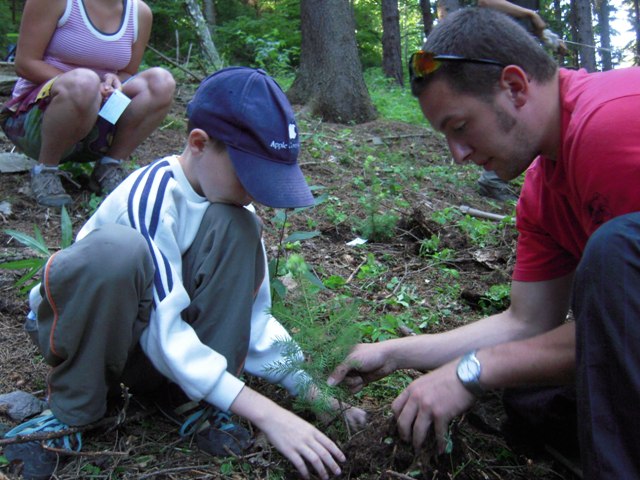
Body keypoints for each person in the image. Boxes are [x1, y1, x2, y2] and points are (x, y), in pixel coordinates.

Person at [3, 67, 366, 480]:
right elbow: (162, 325)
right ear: (199, 143)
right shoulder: (152, 197)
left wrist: (311, 388)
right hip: (85, 330)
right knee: (118, 250)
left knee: (240, 226)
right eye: (249, 175)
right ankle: (71, 410)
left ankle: (189, 397)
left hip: (153, 347)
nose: (254, 193)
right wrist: (267, 413)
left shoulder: (233, 210)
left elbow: (252, 318)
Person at [328, 8, 640, 479]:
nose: (458, 155)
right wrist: (395, 352)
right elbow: (526, 322)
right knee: (529, 393)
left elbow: (621, 328)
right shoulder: (541, 189)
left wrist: (471, 370)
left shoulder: (612, 123)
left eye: (459, 127)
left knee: (613, 252)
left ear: (514, 87)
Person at [0, 0, 176, 207]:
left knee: (161, 82)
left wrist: (113, 81)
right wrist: (89, 85)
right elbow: (25, 63)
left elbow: (128, 72)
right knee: (85, 82)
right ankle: (45, 170)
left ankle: (109, 166)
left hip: (98, 124)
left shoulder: (139, 13)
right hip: (37, 122)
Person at [437, 0, 564, 202]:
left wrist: (546, 36)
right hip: (496, 55)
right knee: (507, 109)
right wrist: (529, 14)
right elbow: (486, 1)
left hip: (515, 52)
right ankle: (492, 180)